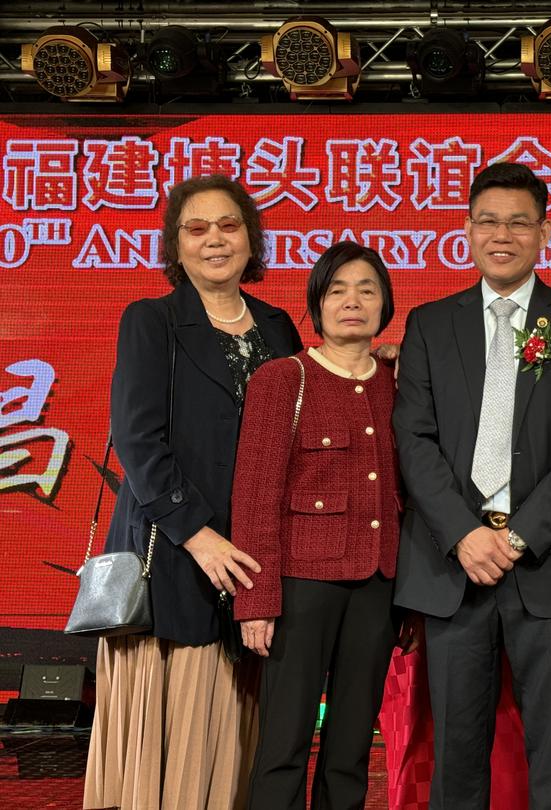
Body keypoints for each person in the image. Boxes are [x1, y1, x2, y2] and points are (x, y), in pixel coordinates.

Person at [392, 161, 551, 810]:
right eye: (488, 221)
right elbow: (415, 440)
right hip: (454, 568)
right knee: (457, 756)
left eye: (519, 223)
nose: (502, 235)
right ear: (467, 231)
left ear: (544, 233)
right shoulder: (431, 324)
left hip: (548, 564)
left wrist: (517, 537)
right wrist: (465, 535)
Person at [84, 175, 303, 810]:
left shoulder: (278, 328)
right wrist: (200, 536)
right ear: (175, 246)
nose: (215, 240)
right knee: (173, 727)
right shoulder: (151, 320)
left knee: (239, 721)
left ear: (251, 239)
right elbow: (137, 441)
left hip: (253, 554)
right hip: (172, 550)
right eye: (197, 228)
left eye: (229, 226)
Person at [230, 241, 415, 809]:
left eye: (366, 290)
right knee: (283, 744)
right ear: (316, 305)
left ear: (385, 305)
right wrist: (256, 600)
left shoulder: (400, 383)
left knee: (352, 747)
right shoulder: (283, 378)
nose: (351, 302)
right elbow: (255, 496)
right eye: (337, 291)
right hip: (300, 588)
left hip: (379, 586)